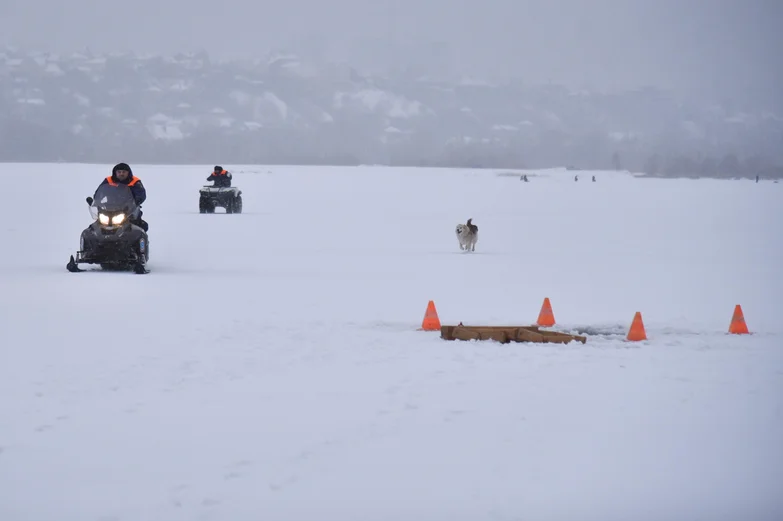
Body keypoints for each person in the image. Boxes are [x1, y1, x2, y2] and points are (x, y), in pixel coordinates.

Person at [95, 162, 148, 231]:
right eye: (119, 172)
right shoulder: (108, 180)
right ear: (115, 173)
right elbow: (100, 191)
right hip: (110, 207)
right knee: (98, 224)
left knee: (139, 225)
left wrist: (137, 201)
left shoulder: (134, 181)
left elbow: (141, 194)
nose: (121, 174)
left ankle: (139, 239)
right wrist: (96, 200)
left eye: (124, 172)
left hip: (129, 208)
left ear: (128, 173)